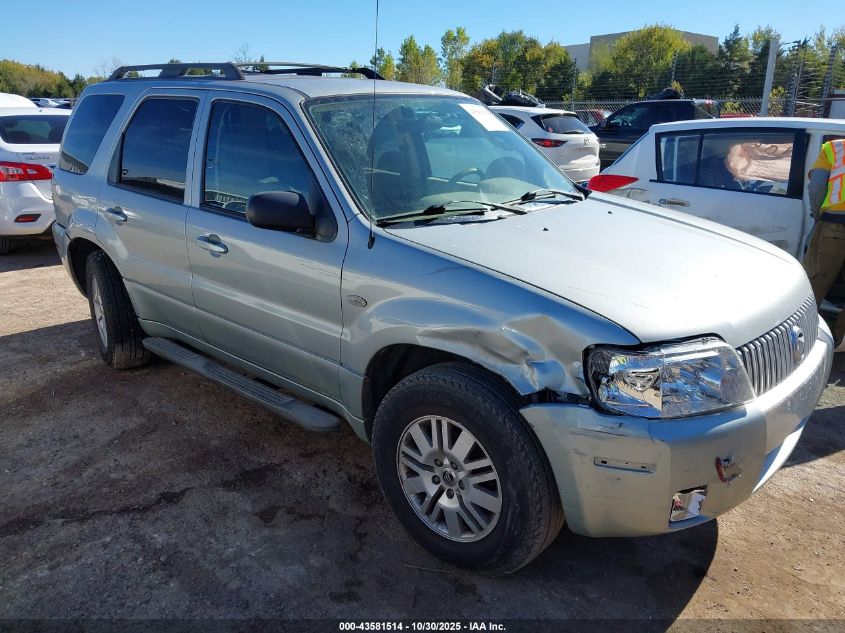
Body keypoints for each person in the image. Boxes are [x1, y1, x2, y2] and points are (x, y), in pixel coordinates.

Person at [804, 138, 845, 352]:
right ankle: (841, 341)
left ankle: (802, 333)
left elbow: (817, 185)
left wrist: (817, 214)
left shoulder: (834, 148)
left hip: (835, 223)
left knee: (816, 278)